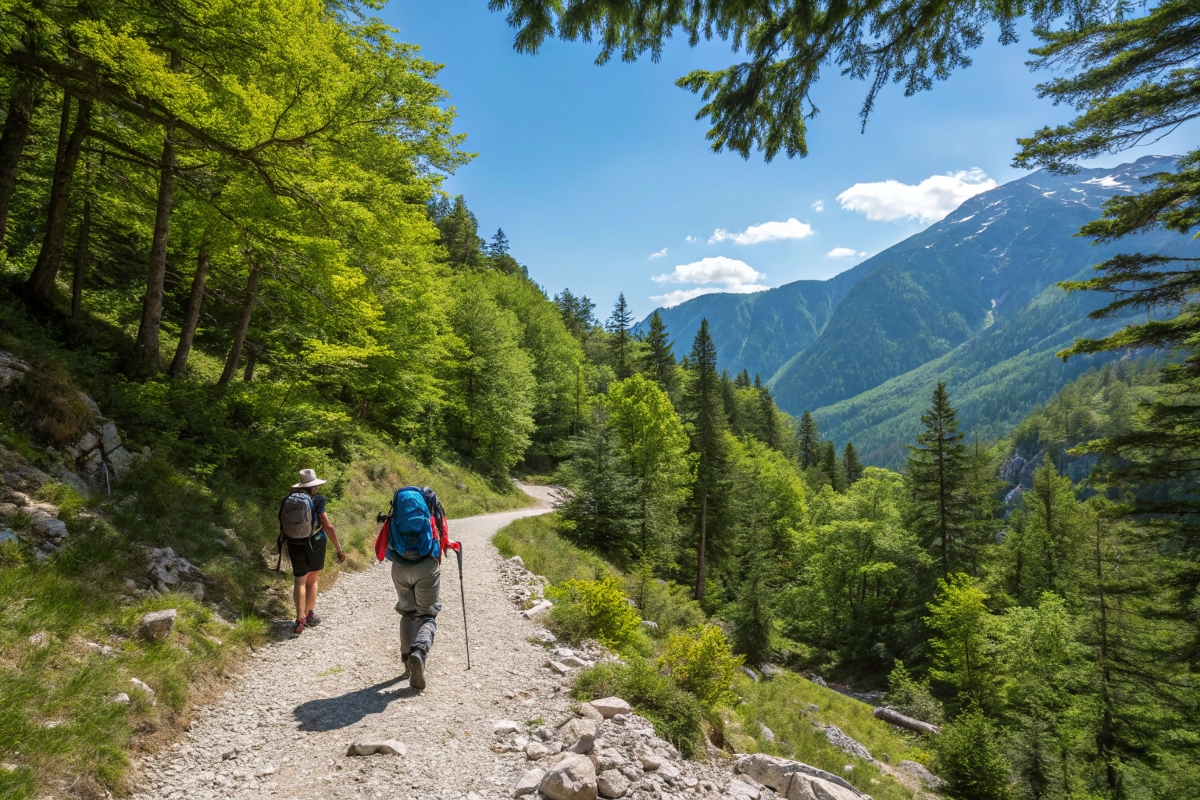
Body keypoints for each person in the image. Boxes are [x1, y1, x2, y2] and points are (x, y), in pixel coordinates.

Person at [376, 486, 454, 690]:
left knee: (408, 613)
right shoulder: (430, 504)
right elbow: (442, 534)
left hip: (400, 566)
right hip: (426, 565)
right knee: (427, 615)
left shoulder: (397, 508)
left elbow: (386, 536)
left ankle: (407, 664)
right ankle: (419, 652)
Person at [281, 468, 346, 635]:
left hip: (293, 542)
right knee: (313, 579)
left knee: (299, 581)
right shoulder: (318, 499)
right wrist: (339, 550)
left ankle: (299, 619)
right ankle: (309, 614)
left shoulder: (288, 499)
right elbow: (327, 525)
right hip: (315, 542)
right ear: (313, 485)